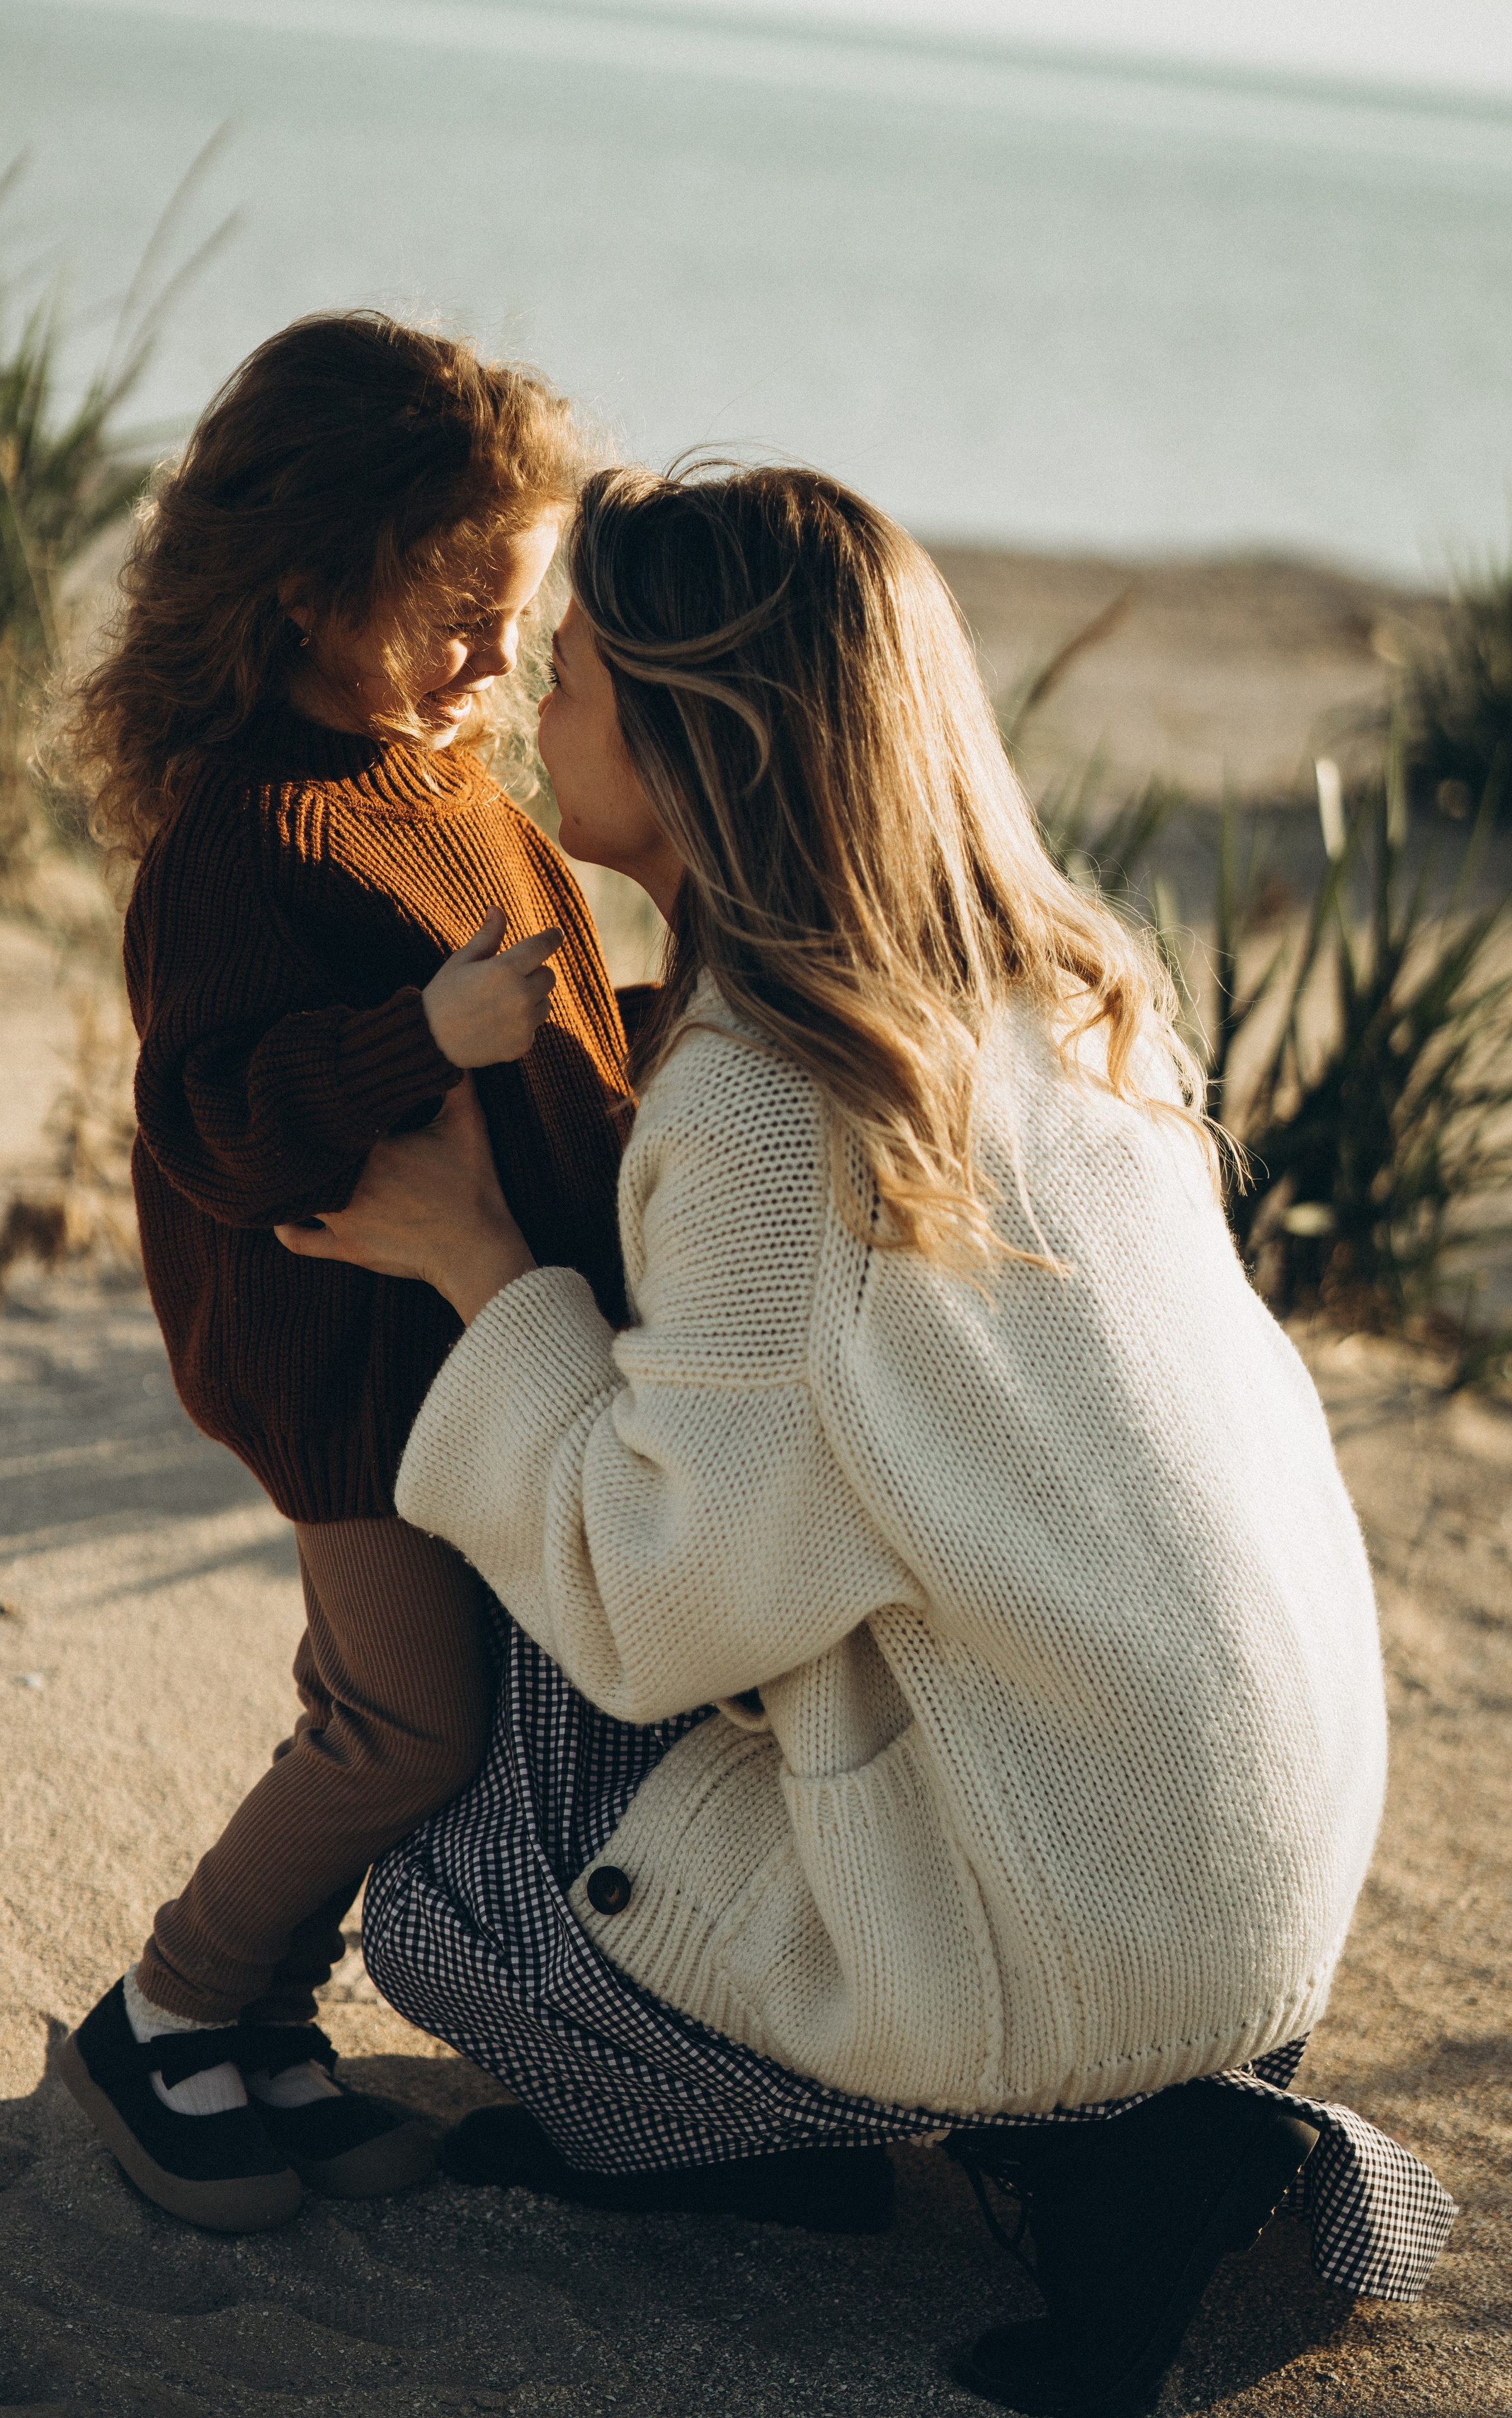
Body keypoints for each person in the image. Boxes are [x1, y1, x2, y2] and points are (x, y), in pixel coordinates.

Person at [277, 463, 1453, 2416]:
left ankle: (954, 2132)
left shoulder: (768, 1101)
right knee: (620, 1538)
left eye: (573, 672)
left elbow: (653, 1614)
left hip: (1085, 1931)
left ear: (691, 736)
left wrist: (484, 1265)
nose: (534, 705)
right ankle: (1085, 2116)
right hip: (1247, 1883)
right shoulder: (1066, 999)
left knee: (454, 1901)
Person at [57, 313, 642, 2235]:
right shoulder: (248, 833)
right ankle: (165, 2016)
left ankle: (267, 2026)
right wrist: (419, 1040)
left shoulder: (450, 785)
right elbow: (213, 1116)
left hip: (461, 1357)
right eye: (455, 615)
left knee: (365, 1709)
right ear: (306, 587)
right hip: (351, 1379)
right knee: (410, 1729)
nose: (493, 662)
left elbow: (554, 1033)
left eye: (517, 619)